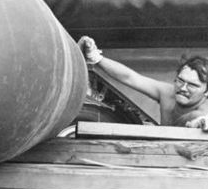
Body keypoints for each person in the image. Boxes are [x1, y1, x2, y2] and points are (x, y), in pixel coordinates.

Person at [79, 36, 208, 130]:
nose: (183, 88)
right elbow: (130, 77)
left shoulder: (204, 111)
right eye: (180, 80)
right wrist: (96, 57)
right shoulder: (167, 93)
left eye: (192, 85)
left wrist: (201, 121)